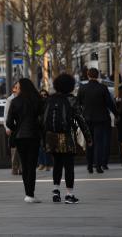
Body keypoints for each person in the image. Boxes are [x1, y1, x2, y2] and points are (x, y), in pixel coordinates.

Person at [43, 74, 92, 204]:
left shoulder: (50, 99)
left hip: (51, 137)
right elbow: (81, 120)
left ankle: (56, 190)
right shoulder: (72, 100)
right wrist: (88, 137)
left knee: (57, 164)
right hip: (66, 137)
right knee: (69, 166)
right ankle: (69, 195)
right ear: (70, 86)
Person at [6, 78, 44, 203]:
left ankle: (27, 194)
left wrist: (16, 129)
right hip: (34, 136)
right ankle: (31, 194)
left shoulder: (15, 101)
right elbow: (42, 119)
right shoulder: (38, 100)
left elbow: (9, 122)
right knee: (32, 165)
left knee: (24, 165)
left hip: (20, 137)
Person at [77, 68, 117, 174]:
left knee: (89, 142)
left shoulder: (82, 88)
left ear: (88, 75)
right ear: (98, 75)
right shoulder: (103, 88)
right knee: (99, 142)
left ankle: (89, 165)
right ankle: (98, 166)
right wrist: (117, 114)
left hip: (87, 118)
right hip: (101, 118)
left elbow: (78, 103)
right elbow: (109, 103)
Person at [4, 81, 22, 175]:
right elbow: (6, 115)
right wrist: (7, 127)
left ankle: (21, 168)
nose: (16, 89)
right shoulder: (10, 100)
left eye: (17, 87)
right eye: (15, 87)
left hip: (21, 127)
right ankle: (15, 168)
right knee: (14, 148)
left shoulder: (23, 99)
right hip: (13, 128)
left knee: (21, 149)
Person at [38, 89, 52, 172]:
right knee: (40, 146)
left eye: (45, 95)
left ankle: (47, 164)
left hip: (47, 128)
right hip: (40, 128)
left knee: (47, 146)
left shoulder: (49, 105)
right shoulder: (38, 105)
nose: (43, 97)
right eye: (41, 95)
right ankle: (41, 164)